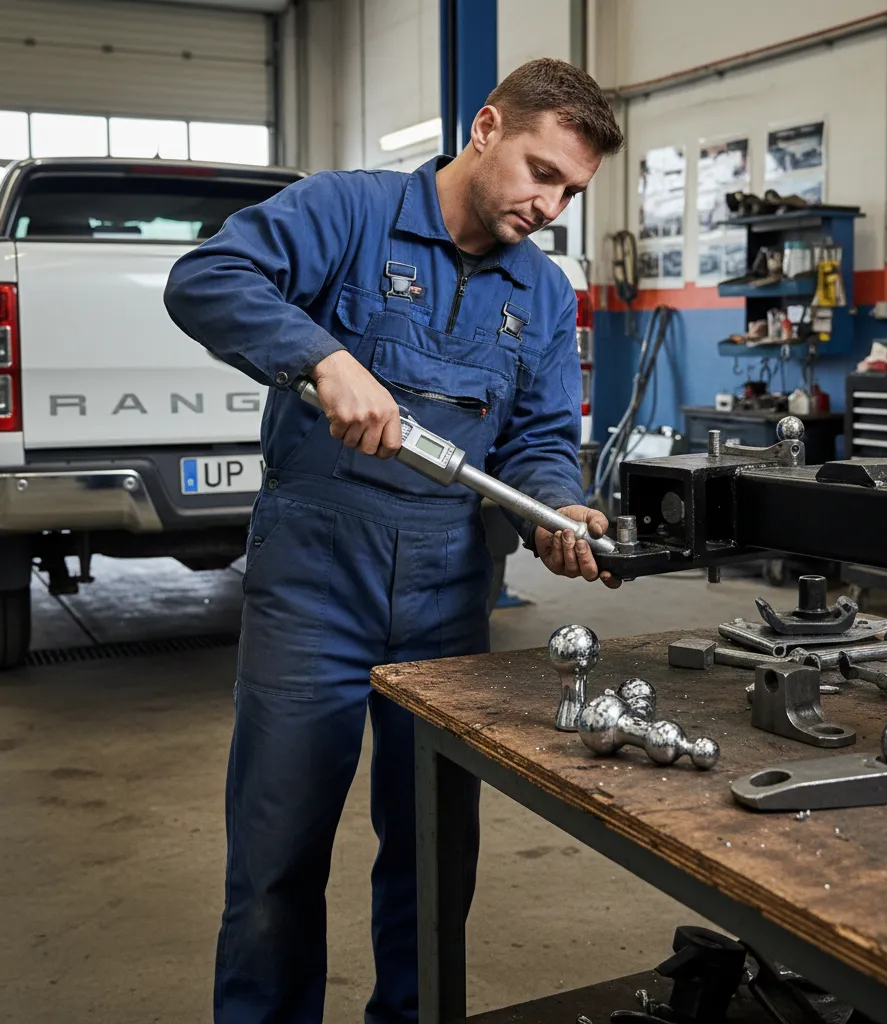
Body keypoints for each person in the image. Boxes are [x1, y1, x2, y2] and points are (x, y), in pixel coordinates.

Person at [163, 57, 623, 1024]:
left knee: (431, 855)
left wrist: (556, 511)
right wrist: (322, 358)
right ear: (487, 128)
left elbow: (539, 439)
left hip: (450, 589)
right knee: (277, 853)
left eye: (571, 192)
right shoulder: (346, 212)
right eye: (542, 172)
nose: (550, 205)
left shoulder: (539, 293)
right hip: (314, 578)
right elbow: (206, 276)